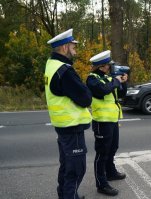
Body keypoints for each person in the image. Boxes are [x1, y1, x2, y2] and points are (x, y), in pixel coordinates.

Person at [44, 29, 92, 199]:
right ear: (65, 47)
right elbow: (86, 98)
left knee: (66, 166)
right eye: (73, 46)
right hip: (72, 127)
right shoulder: (65, 70)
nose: (75, 49)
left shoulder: (51, 64)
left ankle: (64, 195)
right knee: (76, 170)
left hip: (62, 126)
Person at [86, 50, 127, 196]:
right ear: (101, 66)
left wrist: (123, 82)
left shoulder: (109, 77)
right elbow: (103, 90)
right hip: (101, 121)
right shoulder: (92, 79)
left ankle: (110, 172)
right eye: (108, 66)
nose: (110, 68)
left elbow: (121, 94)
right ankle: (101, 184)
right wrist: (116, 81)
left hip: (112, 119)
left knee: (113, 148)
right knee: (102, 154)